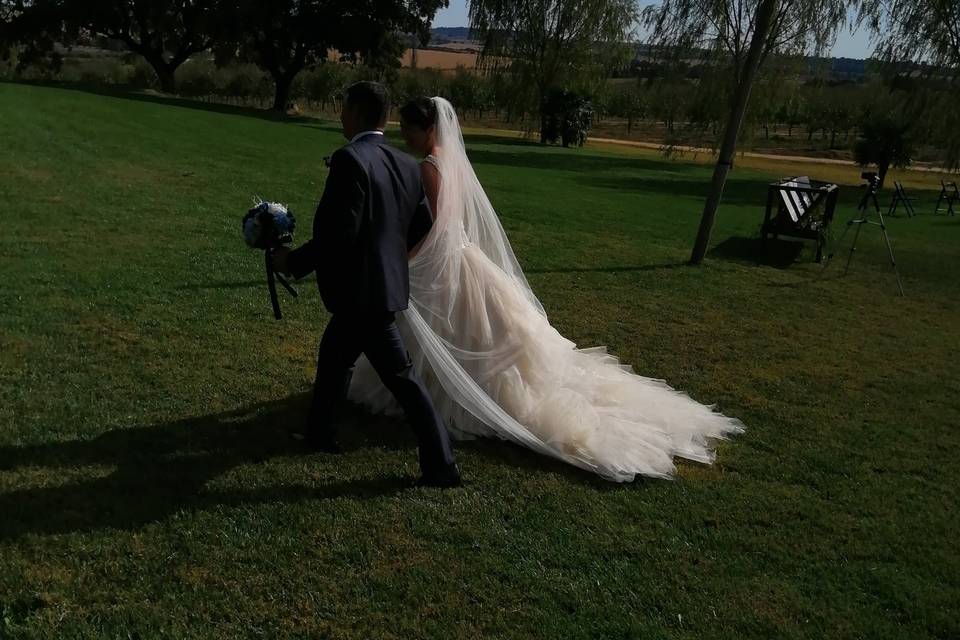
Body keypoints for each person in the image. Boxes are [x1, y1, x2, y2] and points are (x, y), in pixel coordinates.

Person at [347, 97, 744, 482]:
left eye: (411, 129)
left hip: (447, 259)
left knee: (446, 330)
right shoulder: (450, 162)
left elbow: (438, 228)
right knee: (476, 333)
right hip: (465, 256)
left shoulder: (430, 168)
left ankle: (445, 397)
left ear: (428, 128)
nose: (407, 137)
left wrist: (407, 257)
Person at [273, 83, 461, 488]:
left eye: (343, 109)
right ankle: (320, 434)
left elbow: (339, 235)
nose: (340, 117)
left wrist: (292, 262)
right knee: (335, 360)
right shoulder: (407, 164)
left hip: (361, 294)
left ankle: (442, 464)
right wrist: (389, 260)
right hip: (382, 289)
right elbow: (423, 228)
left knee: (402, 380)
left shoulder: (349, 160)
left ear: (357, 112)